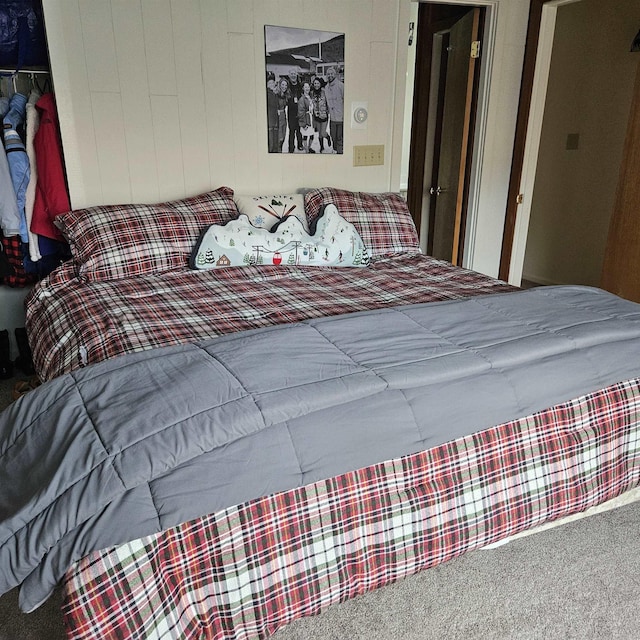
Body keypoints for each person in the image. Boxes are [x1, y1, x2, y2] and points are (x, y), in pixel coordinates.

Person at [324, 66, 344, 154]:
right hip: (332, 118)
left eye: (331, 74)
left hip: (341, 117)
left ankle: (339, 152)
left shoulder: (341, 85)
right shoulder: (326, 88)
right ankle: (335, 149)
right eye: (328, 74)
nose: (330, 75)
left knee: (339, 137)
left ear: (335, 75)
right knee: (333, 136)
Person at [310, 77, 329, 153]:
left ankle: (327, 137)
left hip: (324, 115)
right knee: (319, 134)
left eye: (318, 83)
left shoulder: (324, 92)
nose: (316, 85)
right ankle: (322, 147)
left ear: (320, 84)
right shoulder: (312, 93)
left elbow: (328, 101)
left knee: (323, 133)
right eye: (315, 83)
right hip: (316, 116)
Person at [285, 69, 303, 153]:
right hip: (291, 111)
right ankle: (291, 147)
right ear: (289, 75)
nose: (293, 75)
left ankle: (300, 144)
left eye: (294, 74)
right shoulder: (287, 86)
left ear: (297, 75)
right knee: (292, 130)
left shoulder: (300, 85)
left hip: (300, 110)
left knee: (299, 130)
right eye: (291, 74)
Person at [297, 81, 314, 153]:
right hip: (306, 119)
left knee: (312, 135)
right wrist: (303, 124)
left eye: (308, 87)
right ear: (303, 88)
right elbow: (300, 113)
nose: (307, 88)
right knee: (306, 136)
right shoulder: (302, 99)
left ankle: (309, 147)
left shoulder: (310, 97)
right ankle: (306, 150)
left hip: (311, 119)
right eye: (305, 87)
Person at [266, 72, 280, 153]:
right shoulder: (267, 93)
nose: (271, 84)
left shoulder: (275, 93)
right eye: (269, 83)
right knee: (270, 142)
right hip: (270, 121)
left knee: (276, 140)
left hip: (276, 121)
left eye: (272, 82)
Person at [277, 77, 289, 152]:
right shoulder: (276, 95)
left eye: (285, 85)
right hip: (278, 118)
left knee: (283, 138)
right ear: (279, 85)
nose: (284, 86)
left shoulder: (285, 95)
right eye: (282, 84)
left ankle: (280, 151)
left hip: (284, 117)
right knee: (279, 138)